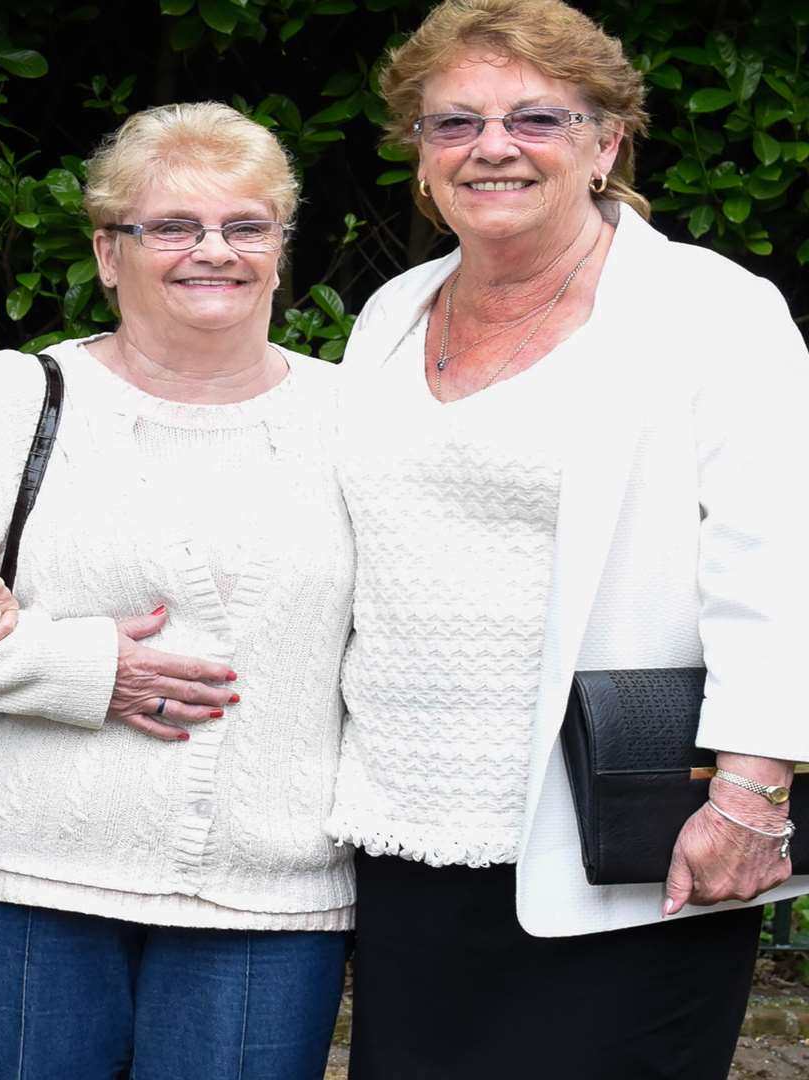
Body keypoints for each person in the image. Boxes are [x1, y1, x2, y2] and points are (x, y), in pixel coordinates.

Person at [0, 102, 354, 1080]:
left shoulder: (355, 415)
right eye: (173, 227)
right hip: (34, 886)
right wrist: (74, 667)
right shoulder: (23, 396)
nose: (213, 252)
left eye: (245, 226)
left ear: (281, 248)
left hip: (274, 900)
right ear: (109, 253)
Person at [326, 0, 809, 1074]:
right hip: (406, 824)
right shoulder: (395, 310)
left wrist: (750, 793)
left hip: (628, 843)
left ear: (607, 143)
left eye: (535, 117)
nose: (491, 147)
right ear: (420, 155)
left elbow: (779, 562)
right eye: (453, 123)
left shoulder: (705, 306)